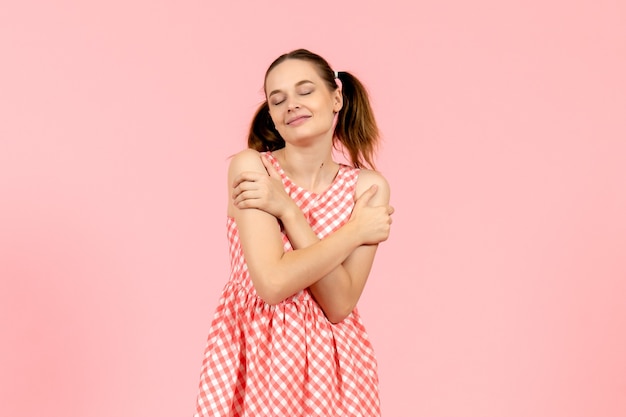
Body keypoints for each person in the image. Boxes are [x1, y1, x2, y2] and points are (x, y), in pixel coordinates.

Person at [193, 49, 393, 417]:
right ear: (270, 113)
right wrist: (355, 231)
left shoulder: (368, 187)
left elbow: (339, 305)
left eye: (305, 91)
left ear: (336, 97)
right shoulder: (252, 167)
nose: (291, 105)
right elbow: (271, 284)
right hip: (254, 352)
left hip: (333, 366)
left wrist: (288, 211)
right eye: (277, 99)